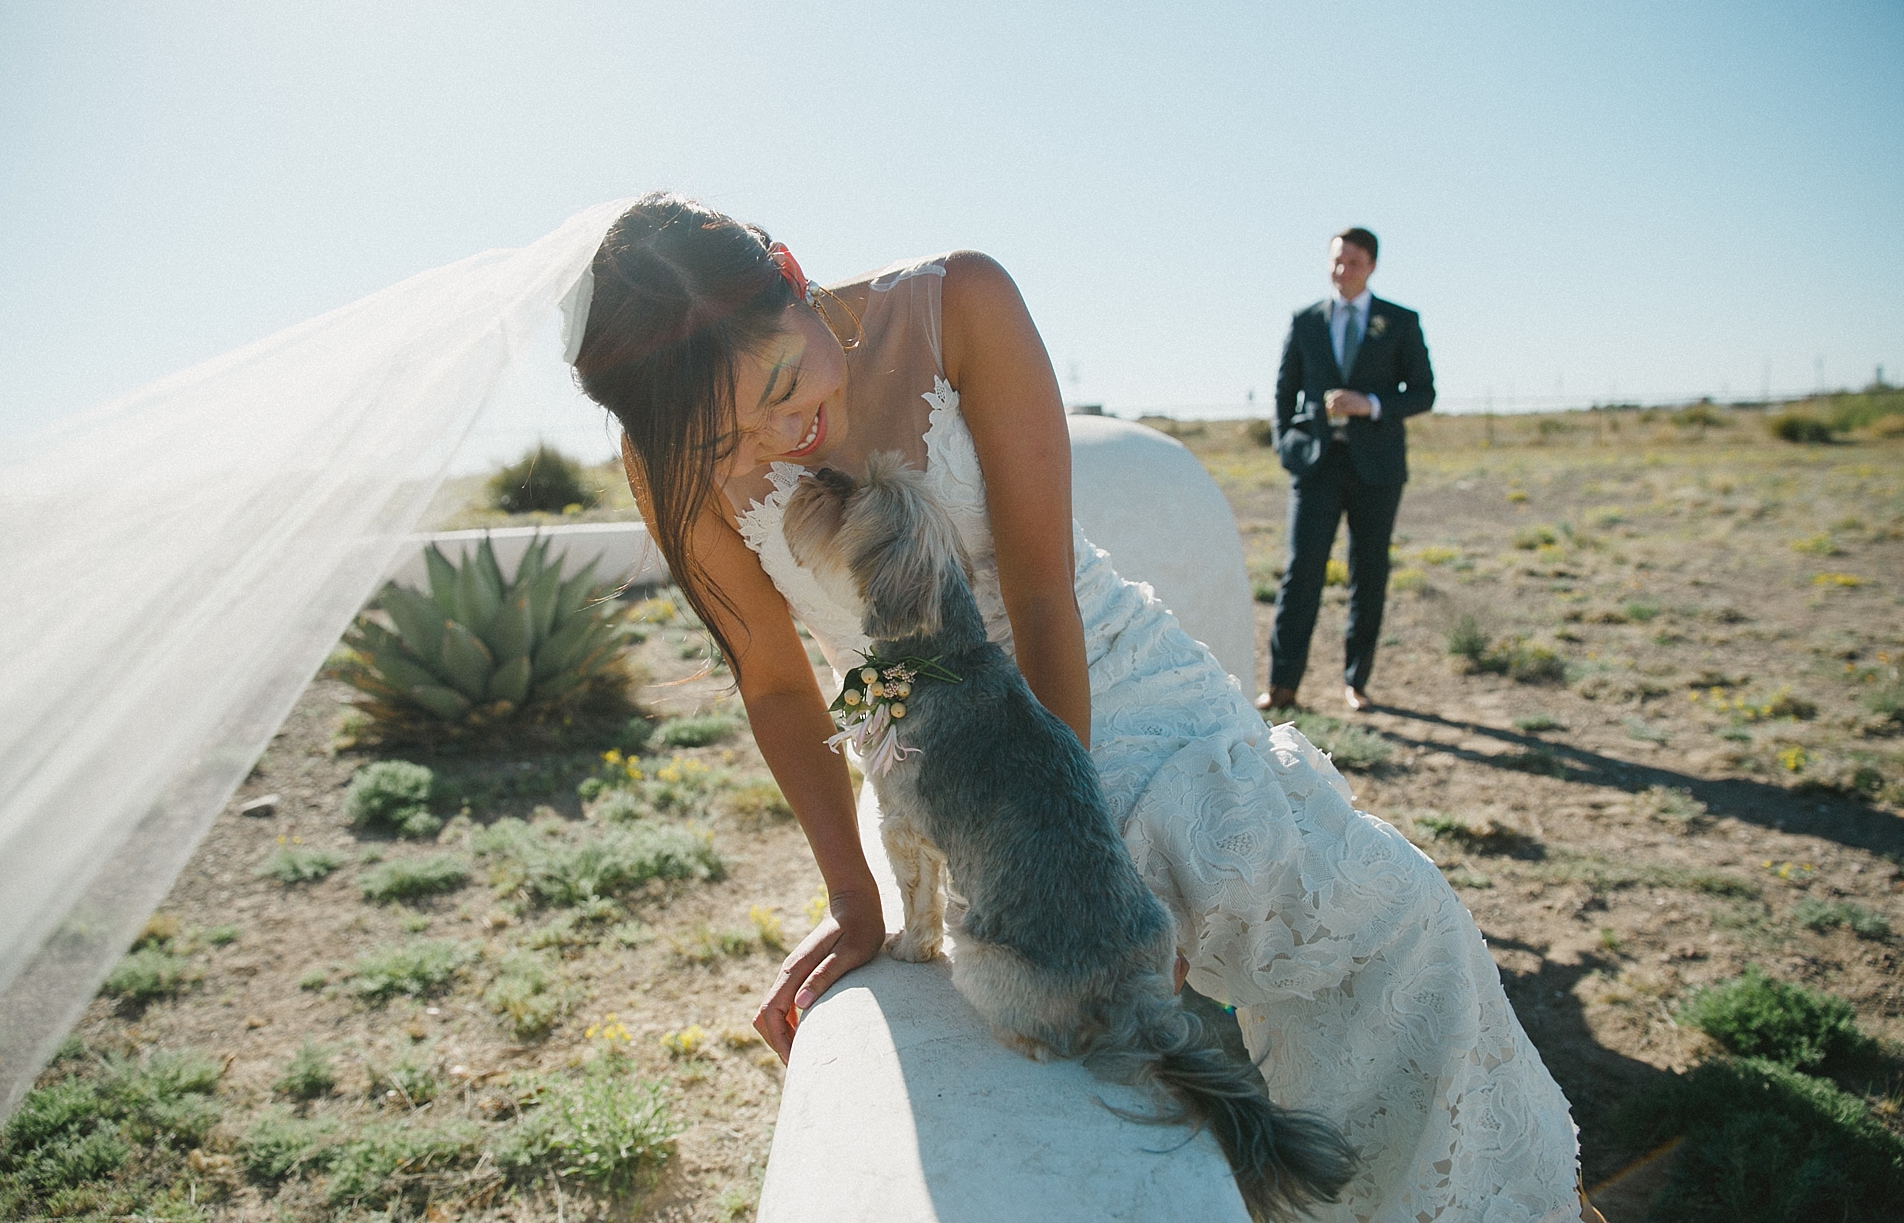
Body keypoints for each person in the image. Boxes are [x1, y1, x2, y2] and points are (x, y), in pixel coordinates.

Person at [571, 195, 1588, 1221]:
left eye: (783, 387)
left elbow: (1042, 593)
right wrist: (853, 896)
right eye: (729, 440)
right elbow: (777, 682)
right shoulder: (663, 460)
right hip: (941, 746)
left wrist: (1087, 844)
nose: (782, 439)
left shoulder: (959, 300)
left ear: (791, 271)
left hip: (1104, 674)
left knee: (1399, 915)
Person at [1261, 228, 1434, 715]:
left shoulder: (1399, 322)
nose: (1342, 271)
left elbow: (1423, 392)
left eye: (1353, 263)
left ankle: (1356, 682)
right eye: (1336, 262)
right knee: (1301, 573)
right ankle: (1282, 685)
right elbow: (1282, 392)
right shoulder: (1306, 321)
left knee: (1369, 572)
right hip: (1316, 465)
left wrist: (1371, 404)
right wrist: (1287, 446)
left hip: (1377, 468)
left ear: (1372, 265)